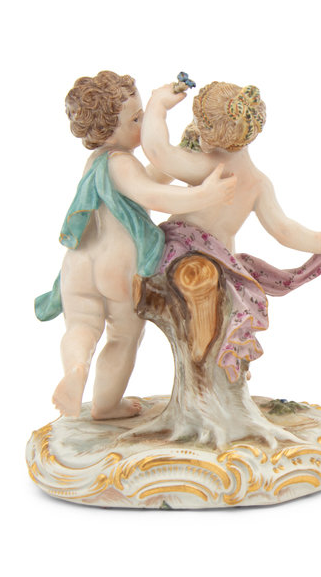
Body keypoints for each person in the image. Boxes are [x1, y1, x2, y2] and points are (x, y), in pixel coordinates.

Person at [36, 71, 236, 419]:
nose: (142, 125)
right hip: (118, 266)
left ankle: (76, 368)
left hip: (78, 265)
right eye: (136, 119)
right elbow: (150, 194)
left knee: (81, 325)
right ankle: (105, 405)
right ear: (108, 128)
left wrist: (181, 152)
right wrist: (205, 194)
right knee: (122, 337)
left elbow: (146, 181)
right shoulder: (122, 163)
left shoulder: (97, 162)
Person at [140, 80, 321, 381]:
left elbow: (157, 151)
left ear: (209, 132)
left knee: (212, 301)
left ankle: (216, 358)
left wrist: (158, 105)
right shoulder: (258, 183)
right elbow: (283, 230)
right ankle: (226, 354)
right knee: (232, 297)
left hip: (180, 252)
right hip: (222, 263)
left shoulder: (205, 166)